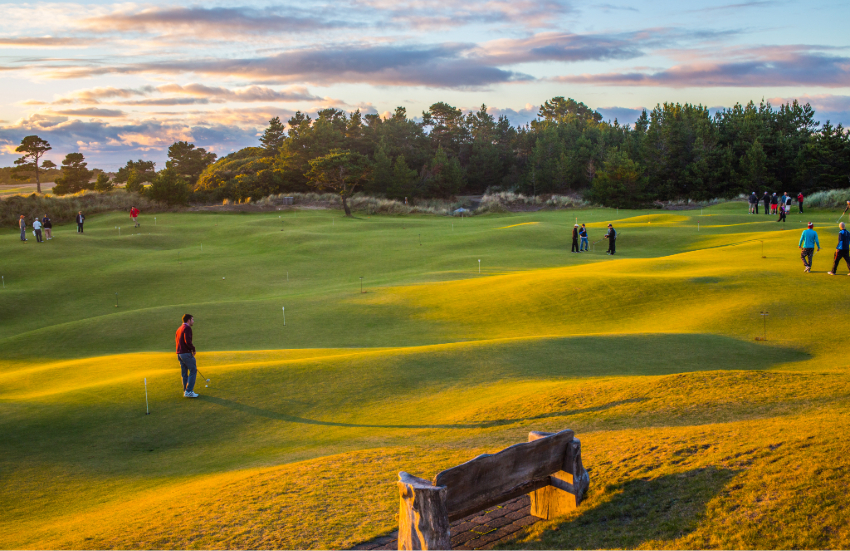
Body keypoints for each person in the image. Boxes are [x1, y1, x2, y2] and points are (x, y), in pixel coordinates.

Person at [176, 314, 199, 398]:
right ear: (188, 320)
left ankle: (186, 391)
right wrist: (193, 349)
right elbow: (187, 341)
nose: (193, 321)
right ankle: (189, 391)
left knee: (184, 373)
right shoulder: (187, 328)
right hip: (186, 353)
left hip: (179, 354)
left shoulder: (179, 329)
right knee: (193, 370)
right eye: (192, 319)